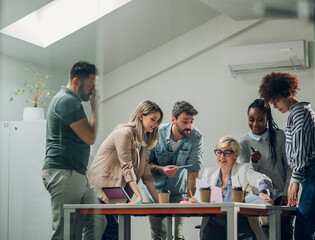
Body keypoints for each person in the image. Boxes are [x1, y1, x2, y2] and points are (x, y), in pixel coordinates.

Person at [258, 71, 315, 240]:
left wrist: (294, 181)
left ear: (287, 93)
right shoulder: (306, 111)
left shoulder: (299, 113)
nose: (274, 106)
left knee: (303, 235)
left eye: (276, 101)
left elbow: (300, 150)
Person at [42, 61, 105, 240]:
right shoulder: (67, 101)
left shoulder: (72, 101)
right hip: (63, 173)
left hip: (76, 174)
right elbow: (90, 137)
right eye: (90, 86)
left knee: (98, 221)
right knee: (65, 233)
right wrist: (95, 107)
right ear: (76, 81)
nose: (93, 91)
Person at [87, 100, 163, 240]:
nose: (156, 124)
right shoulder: (125, 132)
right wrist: (138, 196)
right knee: (111, 229)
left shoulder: (143, 142)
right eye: (153, 119)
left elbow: (146, 176)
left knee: (116, 230)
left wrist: (159, 202)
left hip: (116, 191)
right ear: (141, 116)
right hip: (101, 186)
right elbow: (126, 166)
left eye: (158, 120)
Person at [145, 101, 203, 240]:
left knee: (178, 235)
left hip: (179, 191)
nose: (189, 126)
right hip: (155, 190)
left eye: (192, 121)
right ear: (173, 119)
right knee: (159, 235)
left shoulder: (196, 137)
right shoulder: (156, 132)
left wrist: (189, 198)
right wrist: (162, 169)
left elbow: (193, 172)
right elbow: (145, 164)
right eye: (185, 121)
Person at [200, 135, 274, 240]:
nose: (222, 157)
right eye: (219, 152)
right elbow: (199, 198)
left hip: (241, 225)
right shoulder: (208, 173)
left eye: (227, 153)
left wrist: (263, 193)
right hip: (214, 226)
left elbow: (263, 179)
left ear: (236, 154)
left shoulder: (243, 169)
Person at [238, 99, 293, 239]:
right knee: (262, 235)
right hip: (258, 199)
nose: (255, 124)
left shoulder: (279, 136)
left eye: (260, 120)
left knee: (284, 233)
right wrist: (254, 161)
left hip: (281, 196)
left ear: (267, 119)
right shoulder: (243, 143)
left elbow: (289, 166)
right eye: (251, 119)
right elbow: (246, 174)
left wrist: (287, 193)